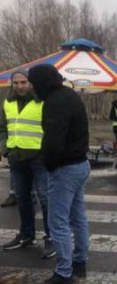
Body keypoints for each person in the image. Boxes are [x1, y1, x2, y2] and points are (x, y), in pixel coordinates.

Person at [28, 64, 90, 284]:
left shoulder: (54, 102)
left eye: (33, 84)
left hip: (65, 168)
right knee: (78, 217)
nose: (32, 88)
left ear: (42, 82)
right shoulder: (69, 95)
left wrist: (49, 164)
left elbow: (54, 141)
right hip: (80, 163)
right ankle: (80, 262)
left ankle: (64, 272)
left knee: (58, 222)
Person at [0, 69, 55, 258]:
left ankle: (51, 237)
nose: (20, 86)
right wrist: (5, 148)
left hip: (39, 158)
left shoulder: (42, 101)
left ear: (30, 83)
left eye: (23, 82)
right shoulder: (7, 102)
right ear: (11, 85)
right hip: (16, 158)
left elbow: (51, 128)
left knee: (45, 198)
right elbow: (2, 128)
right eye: (16, 83)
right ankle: (26, 235)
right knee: (23, 199)